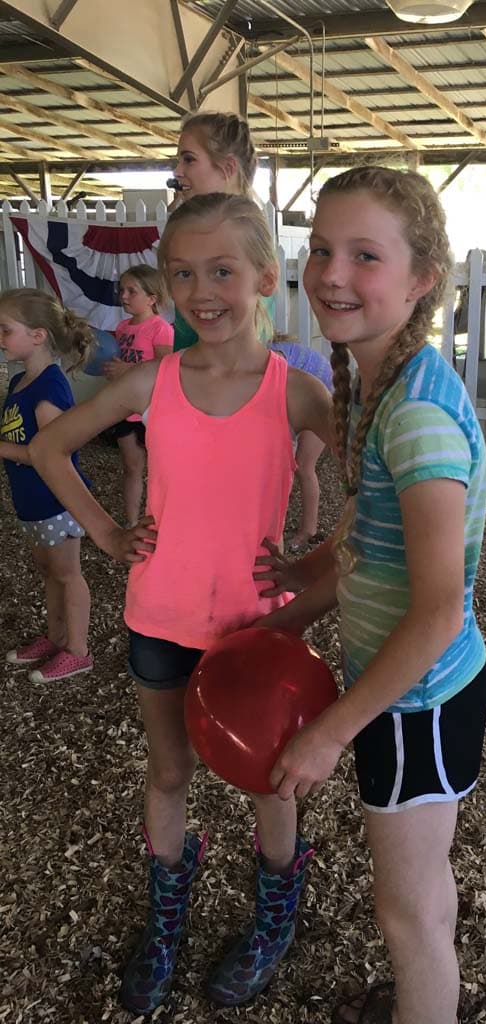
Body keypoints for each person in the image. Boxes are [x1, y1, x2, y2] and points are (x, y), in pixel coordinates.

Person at [29, 193, 334, 1014]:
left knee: (270, 781)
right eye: (185, 272)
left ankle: (275, 914)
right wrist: (104, 534)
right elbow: (50, 448)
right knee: (169, 771)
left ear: (267, 278)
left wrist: (312, 575)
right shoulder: (150, 379)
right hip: (160, 617)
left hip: (256, 630)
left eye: (224, 271)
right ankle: (167, 919)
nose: (204, 290)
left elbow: (386, 500)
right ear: (166, 282)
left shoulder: (295, 392)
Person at [253, 167, 486, 1024]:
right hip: (404, 693)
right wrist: (307, 588)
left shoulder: (415, 414)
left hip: (414, 702)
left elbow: (438, 612)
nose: (331, 274)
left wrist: (329, 730)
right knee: (423, 891)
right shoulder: (372, 384)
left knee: (409, 909)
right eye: (321, 250)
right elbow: (368, 540)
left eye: (365, 256)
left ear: (422, 278)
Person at [0, 288, 94, 682]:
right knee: (47, 569)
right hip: (32, 500)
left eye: (5, 330)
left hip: (57, 500)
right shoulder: (20, 381)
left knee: (67, 573)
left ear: (38, 335)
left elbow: (51, 454)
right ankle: (55, 638)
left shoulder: (50, 387)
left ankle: (78, 650)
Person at [169, 110, 268, 352]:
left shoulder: (239, 232)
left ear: (227, 167)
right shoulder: (195, 230)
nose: (178, 171)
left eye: (189, 160)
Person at [103, 265, 173, 526]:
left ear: (152, 298)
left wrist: (127, 370)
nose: (123, 296)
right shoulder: (122, 327)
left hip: (151, 409)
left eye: (132, 291)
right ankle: (132, 524)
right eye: (122, 290)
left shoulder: (160, 328)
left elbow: (166, 369)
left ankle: (162, 520)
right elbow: (119, 364)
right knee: (131, 468)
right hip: (124, 408)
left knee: (160, 472)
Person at [269, 339, 332, 551]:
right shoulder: (264, 360)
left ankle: (308, 530)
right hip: (307, 394)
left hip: (325, 396)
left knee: (303, 466)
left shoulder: (273, 363)